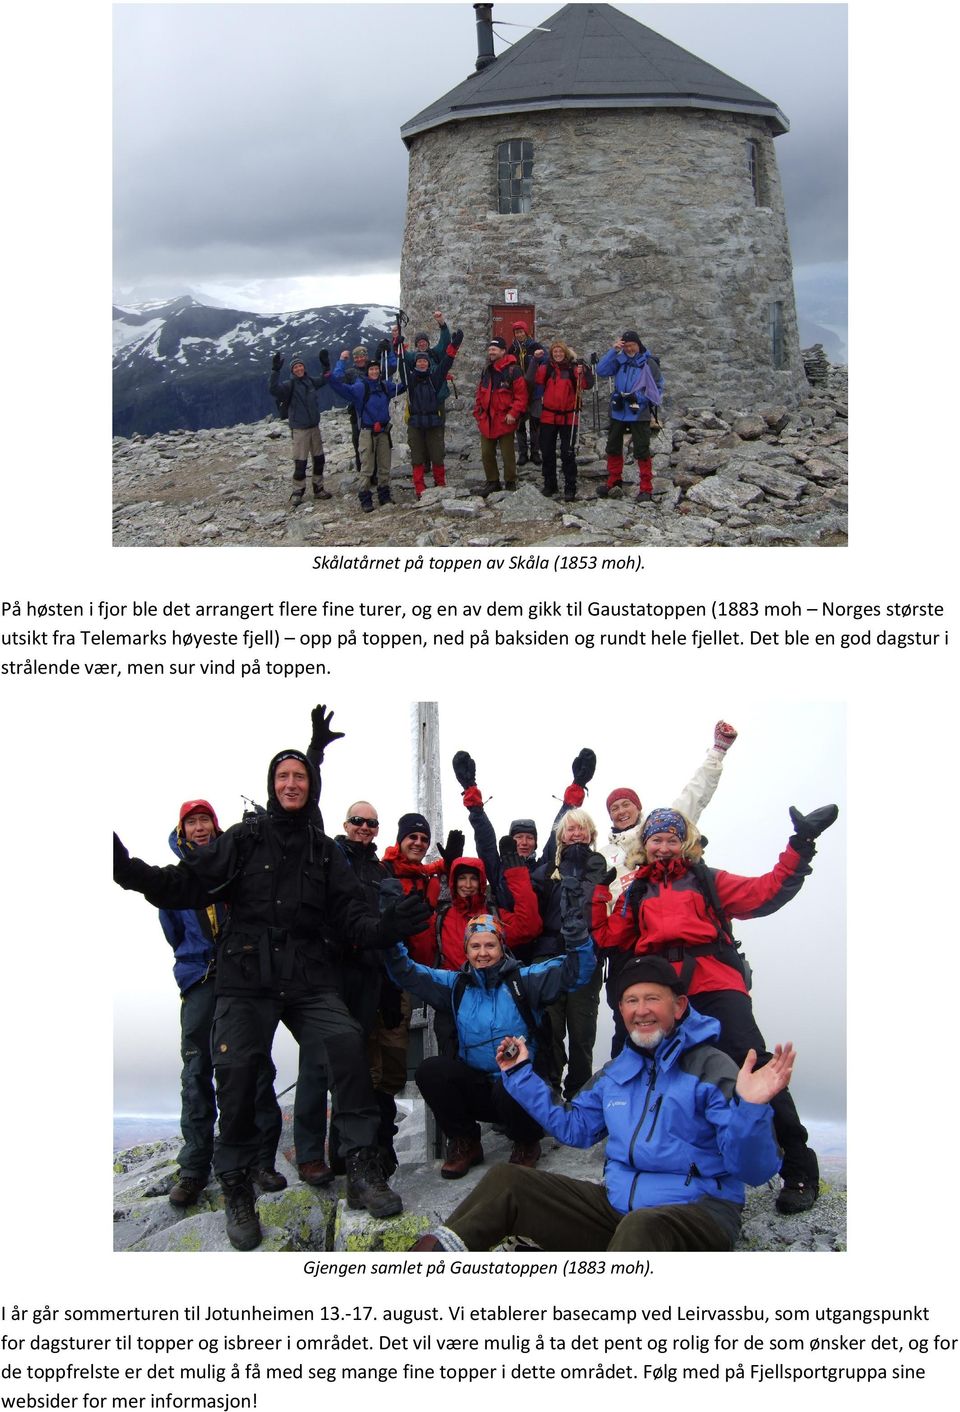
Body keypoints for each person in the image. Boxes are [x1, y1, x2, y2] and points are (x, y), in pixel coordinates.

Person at [113, 747, 432, 1250]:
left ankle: (363, 1169)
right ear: (271, 784)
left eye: (299, 777)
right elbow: (186, 883)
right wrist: (126, 869)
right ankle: (238, 1184)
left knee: (346, 1042)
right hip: (245, 975)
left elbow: (352, 915)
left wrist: (386, 925)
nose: (290, 784)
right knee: (237, 1070)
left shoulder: (324, 851)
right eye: (282, 776)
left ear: (311, 787)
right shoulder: (243, 839)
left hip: (307, 976)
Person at [410, 956, 791, 1252]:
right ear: (622, 1012)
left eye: (652, 998)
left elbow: (754, 1170)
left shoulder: (712, 1067)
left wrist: (752, 1108)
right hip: (618, 1209)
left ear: (679, 1006)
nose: (641, 1009)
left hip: (698, 1214)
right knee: (507, 1181)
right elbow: (575, 1127)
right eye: (630, 1000)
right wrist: (520, 1074)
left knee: (642, 1227)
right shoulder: (617, 1072)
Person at [593, 801, 838, 1214]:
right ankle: (660, 1165)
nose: (664, 847)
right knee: (659, 1075)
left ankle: (798, 1168)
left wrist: (801, 843)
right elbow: (609, 938)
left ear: (684, 843)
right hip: (667, 995)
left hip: (716, 983)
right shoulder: (637, 891)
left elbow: (767, 891)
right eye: (656, 839)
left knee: (755, 1065)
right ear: (645, 845)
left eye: (672, 839)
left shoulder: (707, 880)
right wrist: (600, 890)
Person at [385, 877, 596, 1177]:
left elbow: (577, 971)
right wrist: (391, 935)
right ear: (466, 950)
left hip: (522, 1094)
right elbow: (406, 974)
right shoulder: (456, 985)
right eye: (475, 946)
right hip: (481, 1089)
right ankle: (465, 1141)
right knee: (431, 1071)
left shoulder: (526, 980)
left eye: (490, 945)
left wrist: (576, 931)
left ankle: (526, 1142)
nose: (482, 953)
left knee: (510, 1080)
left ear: (502, 947)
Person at [158, 800, 285, 1207]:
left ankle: (261, 1161)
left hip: (244, 979)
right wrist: (199, 962)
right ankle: (194, 1168)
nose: (199, 828)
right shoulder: (177, 879)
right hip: (199, 980)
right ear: (182, 831)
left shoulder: (236, 866)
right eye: (191, 822)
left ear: (216, 828)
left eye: (205, 821)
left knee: (254, 1066)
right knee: (196, 1069)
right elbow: (174, 932)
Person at [330, 350, 405, 511]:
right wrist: (336, 367)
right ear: (368, 372)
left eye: (376, 369)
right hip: (367, 431)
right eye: (371, 369)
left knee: (384, 464)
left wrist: (409, 368)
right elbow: (338, 385)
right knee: (367, 466)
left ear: (379, 370)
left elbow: (402, 386)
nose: (374, 371)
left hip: (384, 431)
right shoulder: (360, 387)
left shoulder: (385, 386)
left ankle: (384, 494)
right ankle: (365, 497)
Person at [595, 330, 663, 503]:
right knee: (613, 446)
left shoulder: (648, 363)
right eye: (626, 345)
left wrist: (639, 399)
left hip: (639, 412)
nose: (629, 348)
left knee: (641, 448)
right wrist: (613, 351)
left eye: (632, 345)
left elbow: (657, 388)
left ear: (638, 345)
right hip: (619, 409)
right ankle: (614, 480)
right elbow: (601, 371)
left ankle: (646, 487)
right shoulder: (620, 360)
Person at [268, 350, 333, 507]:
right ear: (292, 371)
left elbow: (324, 380)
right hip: (300, 430)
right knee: (300, 462)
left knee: (319, 459)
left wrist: (326, 366)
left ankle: (318, 488)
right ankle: (298, 491)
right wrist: (275, 370)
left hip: (314, 427)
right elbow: (273, 389)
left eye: (300, 366)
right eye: (295, 368)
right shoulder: (288, 386)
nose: (299, 369)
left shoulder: (309, 381)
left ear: (304, 368)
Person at [531, 341, 595, 501]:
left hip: (568, 417)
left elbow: (587, 385)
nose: (558, 354)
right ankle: (550, 485)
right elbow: (532, 380)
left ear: (565, 353)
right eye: (555, 352)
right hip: (548, 416)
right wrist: (534, 360)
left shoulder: (574, 369)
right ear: (551, 354)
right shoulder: (546, 369)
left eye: (560, 352)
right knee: (547, 452)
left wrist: (584, 370)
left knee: (568, 453)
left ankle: (570, 487)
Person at [405, 331, 463, 496]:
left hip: (433, 421)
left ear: (428, 363)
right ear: (415, 364)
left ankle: (440, 484)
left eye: (424, 361)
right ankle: (419, 488)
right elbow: (401, 362)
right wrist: (397, 345)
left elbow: (446, 363)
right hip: (416, 422)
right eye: (419, 361)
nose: (422, 364)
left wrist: (454, 346)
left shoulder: (435, 377)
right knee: (417, 456)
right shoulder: (410, 379)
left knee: (437, 453)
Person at [473, 338, 528, 494]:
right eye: (490, 349)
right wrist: (478, 411)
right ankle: (492, 482)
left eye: (494, 349)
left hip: (505, 419)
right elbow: (480, 392)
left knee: (507, 454)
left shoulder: (513, 370)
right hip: (487, 419)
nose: (491, 352)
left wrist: (513, 413)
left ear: (503, 351)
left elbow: (521, 396)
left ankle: (510, 482)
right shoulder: (487, 370)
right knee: (486, 453)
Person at [508, 320, 540, 466]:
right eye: (516, 332)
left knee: (535, 423)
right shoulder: (511, 349)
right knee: (520, 424)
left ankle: (535, 453)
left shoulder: (535, 347)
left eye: (521, 332)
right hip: (518, 392)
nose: (519, 334)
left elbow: (545, 361)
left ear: (526, 332)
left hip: (534, 391)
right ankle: (522, 453)